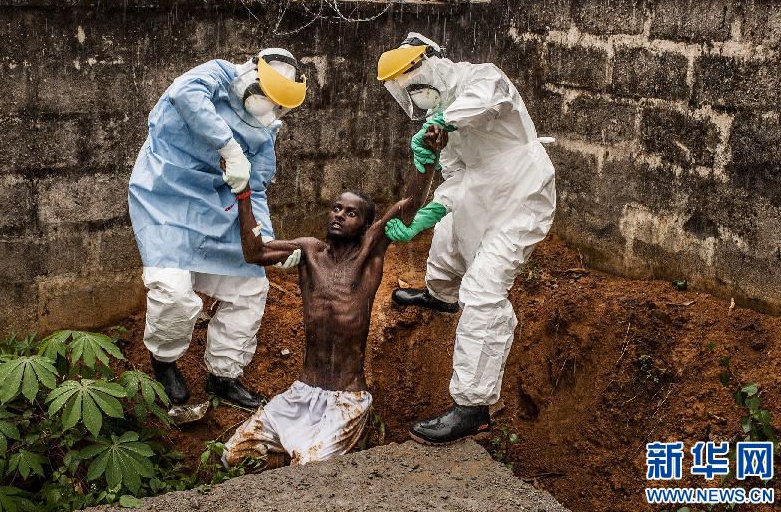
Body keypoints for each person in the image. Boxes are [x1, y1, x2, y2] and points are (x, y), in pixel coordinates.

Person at [220, 125, 448, 467]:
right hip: (302, 392)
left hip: (346, 398)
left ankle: (320, 447)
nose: (339, 215)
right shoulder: (309, 251)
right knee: (231, 455)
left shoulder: (369, 253)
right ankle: (289, 449)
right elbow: (254, 252)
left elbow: (410, 204)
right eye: (336, 208)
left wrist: (427, 156)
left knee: (308, 469)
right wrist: (242, 193)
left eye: (350, 212)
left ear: (366, 225)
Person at [377, 32, 557, 444]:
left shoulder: (481, 78)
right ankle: (440, 296)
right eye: (406, 91)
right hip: (478, 191)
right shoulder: (439, 119)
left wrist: (443, 122)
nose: (416, 94)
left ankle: (473, 409)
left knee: (483, 291)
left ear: (434, 62)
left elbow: (486, 101)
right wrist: (425, 217)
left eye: (415, 82)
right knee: (447, 239)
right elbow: (456, 177)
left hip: (522, 195)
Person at [128, 49, 307, 409]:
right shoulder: (216, 75)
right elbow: (185, 95)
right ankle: (164, 362)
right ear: (252, 77)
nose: (269, 107)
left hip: (216, 208)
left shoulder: (265, 129)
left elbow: (256, 188)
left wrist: (266, 241)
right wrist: (230, 149)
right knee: (172, 293)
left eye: (277, 104)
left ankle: (224, 376)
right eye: (267, 96)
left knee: (250, 289)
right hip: (165, 196)